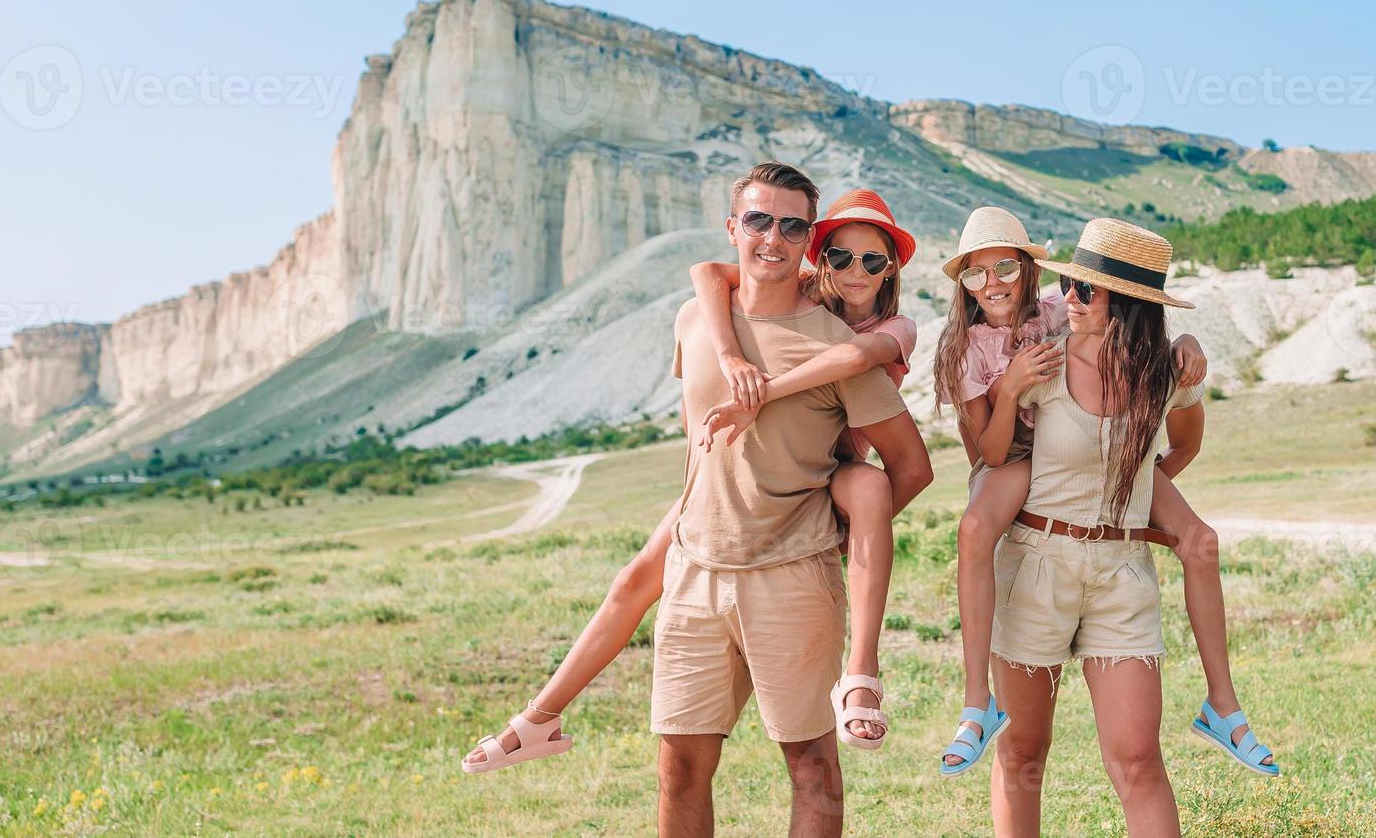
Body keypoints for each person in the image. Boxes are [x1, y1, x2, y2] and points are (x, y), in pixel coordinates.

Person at [461, 185, 928, 773]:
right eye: (841, 257)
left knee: (870, 489)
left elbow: (855, 362)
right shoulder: (795, 294)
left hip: (831, 469)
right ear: (820, 257)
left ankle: (862, 673)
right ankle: (540, 716)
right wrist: (732, 357)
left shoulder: (895, 326)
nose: (855, 270)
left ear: (891, 271)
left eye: (873, 260)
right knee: (634, 581)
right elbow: (706, 270)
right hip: (739, 482)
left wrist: (835, 525)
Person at [930, 209, 1278, 781]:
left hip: (1102, 458)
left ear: (1030, 270)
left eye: (1004, 269)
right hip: (1018, 459)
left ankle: (1224, 702)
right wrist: (1012, 388)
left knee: (1201, 541)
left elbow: (1138, 348)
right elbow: (986, 454)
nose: (989, 285)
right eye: (974, 274)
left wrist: (1185, 342)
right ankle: (976, 701)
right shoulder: (967, 347)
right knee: (973, 530)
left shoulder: (1057, 315)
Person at [650, 162, 930, 836]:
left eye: (792, 225)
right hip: (693, 578)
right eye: (758, 220)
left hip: (793, 578)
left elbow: (910, 466)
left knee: (811, 768)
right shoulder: (695, 319)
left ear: (807, 238)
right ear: (732, 228)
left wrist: (838, 534)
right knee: (679, 769)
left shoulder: (840, 344)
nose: (773, 237)